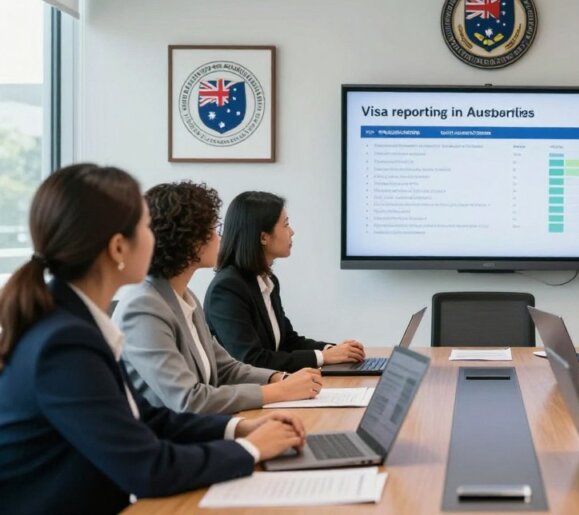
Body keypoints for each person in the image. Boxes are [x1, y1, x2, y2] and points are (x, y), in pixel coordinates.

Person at [0, 164, 305, 514]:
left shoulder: (74, 322)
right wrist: (251, 449)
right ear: (118, 248)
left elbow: (147, 419)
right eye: (146, 226)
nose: (157, 234)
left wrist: (241, 428)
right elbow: (148, 468)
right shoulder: (64, 343)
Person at [115, 182, 323, 414]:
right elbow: (188, 399)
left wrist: (280, 378)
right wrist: (280, 391)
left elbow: (226, 369)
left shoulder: (184, 296)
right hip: (168, 442)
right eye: (213, 229)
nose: (220, 236)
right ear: (189, 239)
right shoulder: (143, 307)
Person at [205, 191, 364, 371]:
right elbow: (251, 359)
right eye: (286, 225)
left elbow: (287, 341)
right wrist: (323, 357)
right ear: (263, 237)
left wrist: (334, 350)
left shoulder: (267, 280)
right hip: (249, 394)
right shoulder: (227, 289)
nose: (292, 232)